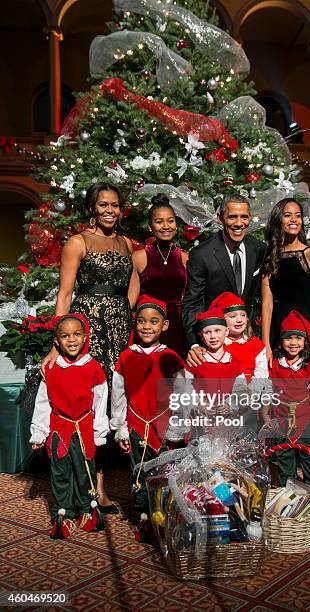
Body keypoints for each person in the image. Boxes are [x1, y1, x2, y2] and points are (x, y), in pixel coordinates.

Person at [41, 181, 139, 513]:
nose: (110, 210)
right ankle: (87, 487)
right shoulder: (77, 242)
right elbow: (65, 294)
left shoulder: (126, 243)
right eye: (103, 205)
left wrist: (122, 314)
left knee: (114, 398)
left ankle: (101, 488)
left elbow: (132, 285)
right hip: (88, 327)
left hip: (119, 328)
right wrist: (58, 341)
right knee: (90, 400)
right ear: (92, 208)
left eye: (115, 205)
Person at [30, 314, 109, 539]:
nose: (71, 340)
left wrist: (98, 431)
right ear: (57, 342)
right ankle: (63, 513)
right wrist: (39, 432)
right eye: (65, 336)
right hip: (59, 428)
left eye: (76, 334)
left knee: (85, 471)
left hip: (84, 427)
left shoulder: (93, 367)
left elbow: (100, 401)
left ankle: (87, 509)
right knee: (61, 472)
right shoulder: (51, 369)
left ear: (85, 338)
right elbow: (43, 402)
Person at [110, 296, 185, 523]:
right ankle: (143, 514)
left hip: (165, 426)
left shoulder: (171, 357)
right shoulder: (126, 356)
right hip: (136, 425)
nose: (147, 326)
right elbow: (118, 395)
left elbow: (184, 393)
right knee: (139, 470)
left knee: (166, 471)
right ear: (136, 323)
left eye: (153, 322)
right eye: (142, 321)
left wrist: (180, 423)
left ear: (164, 325)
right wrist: (119, 427)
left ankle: (164, 514)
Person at [183, 194, 266, 364]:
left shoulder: (259, 249)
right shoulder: (202, 254)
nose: (238, 223)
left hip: (246, 341)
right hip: (213, 344)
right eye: (232, 217)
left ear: (250, 218)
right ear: (220, 218)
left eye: (244, 217)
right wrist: (193, 345)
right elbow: (192, 303)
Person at [261, 198, 310, 376]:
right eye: (287, 215)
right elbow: (267, 304)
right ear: (278, 220)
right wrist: (266, 345)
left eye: (298, 216)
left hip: (307, 328)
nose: (294, 220)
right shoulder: (270, 257)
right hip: (278, 329)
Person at [262, 310, 310, 487]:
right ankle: (287, 493)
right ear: (281, 342)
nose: (293, 343)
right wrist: (265, 414)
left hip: (306, 419)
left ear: (304, 342)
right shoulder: (274, 365)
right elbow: (268, 390)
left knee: (308, 457)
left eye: (298, 338)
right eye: (288, 338)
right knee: (284, 457)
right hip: (281, 418)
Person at [166, 307, 248, 442]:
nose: (213, 336)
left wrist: (230, 404)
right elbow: (181, 387)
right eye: (207, 332)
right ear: (201, 336)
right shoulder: (197, 360)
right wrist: (198, 404)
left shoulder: (234, 362)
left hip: (225, 422)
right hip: (200, 423)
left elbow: (241, 389)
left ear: (226, 331)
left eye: (217, 331)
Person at [133, 194, 188, 357]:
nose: (166, 226)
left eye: (170, 221)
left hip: (177, 325)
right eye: (159, 221)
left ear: (176, 224)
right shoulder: (139, 257)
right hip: (149, 325)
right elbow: (131, 297)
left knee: (174, 376)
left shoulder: (185, 258)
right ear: (151, 226)